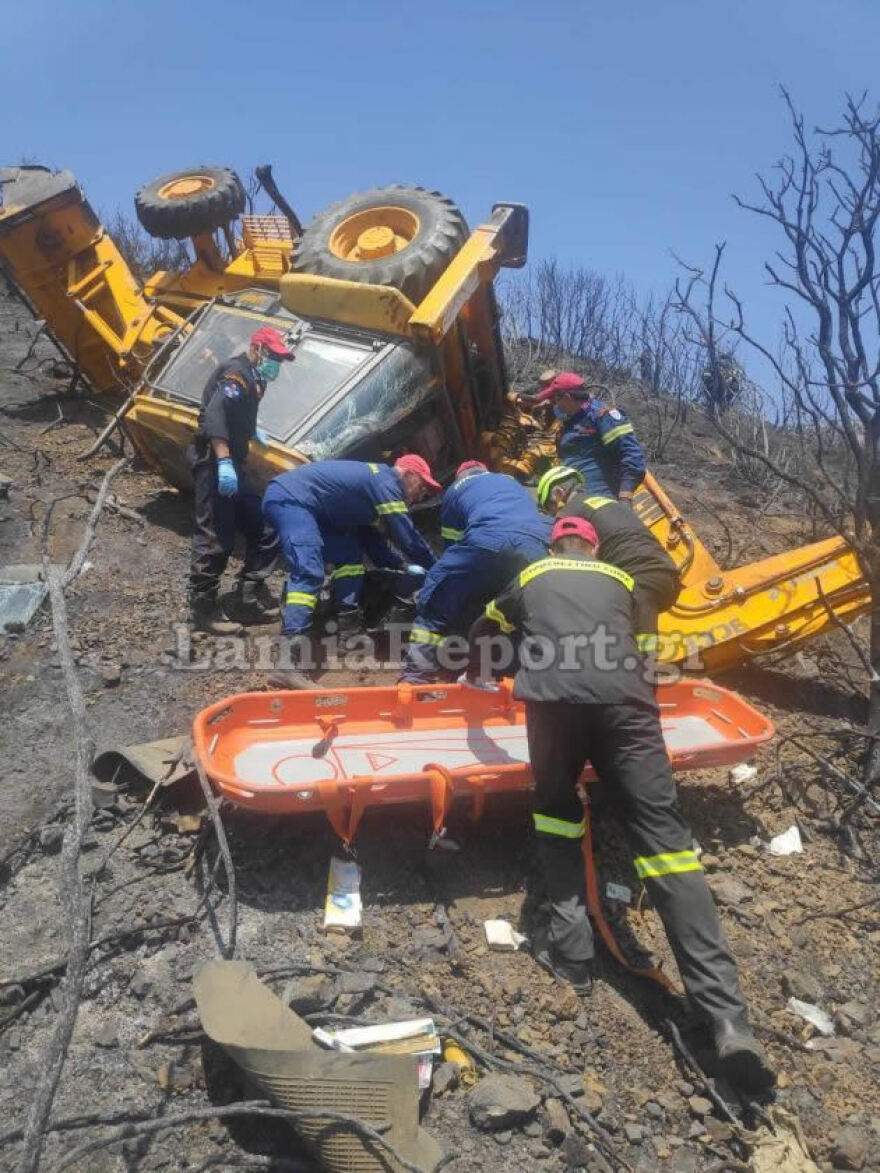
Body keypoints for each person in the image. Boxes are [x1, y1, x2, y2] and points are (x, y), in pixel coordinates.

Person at [465, 515, 775, 1093]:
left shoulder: (532, 573)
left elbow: (489, 625)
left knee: (557, 812)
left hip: (555, 704)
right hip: (628, 708)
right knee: (668, 846)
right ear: (595, 546)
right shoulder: (624, 581)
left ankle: (574, 959)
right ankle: (728, 1019)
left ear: (555, 542)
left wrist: (480, 671)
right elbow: (647, 646)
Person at [262, 455, 439, 682]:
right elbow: (408, 537)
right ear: (407, 474)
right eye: (421, 486)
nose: (420, 495)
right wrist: (436, 568)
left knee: (350, 557)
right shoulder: (385, 482)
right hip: (291, 500)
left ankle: (348, 630)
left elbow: (371, 540)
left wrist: (402, 565)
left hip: (312, 511)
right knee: (309, 571)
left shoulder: (373, 489)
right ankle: (287, 662)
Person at [399, 461, 552, 683]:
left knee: (437, 599)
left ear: (461, 475)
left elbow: (452, 544)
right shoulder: (513, 483)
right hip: (534, 547)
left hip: (486, 540)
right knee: (519, 611)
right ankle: (524, 675)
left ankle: (416, 676)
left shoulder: (457, 489)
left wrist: (457, 587)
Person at [188, 326, 292, 634]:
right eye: (273, 356)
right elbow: (215, 415)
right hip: (214, 460)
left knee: (266, 526)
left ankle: (246, 596)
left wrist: (251, 428)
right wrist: (222, 460)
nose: (276, 363)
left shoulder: (253, 377)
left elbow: (236, 411)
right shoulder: (237, 373)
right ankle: (202, 611)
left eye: (280, 359)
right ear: (257, 348)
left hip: (233, 461)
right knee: (216, 536)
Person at [536, 465, 680, 651]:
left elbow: (567, 567)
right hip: (668, 578)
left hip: (636, 583)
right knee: (643, 654)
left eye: (550, 506)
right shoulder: (609, 503)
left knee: (634, 659)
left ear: (558, 493)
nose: (554, 514)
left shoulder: (570, 514)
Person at [531, 372, 646, 502]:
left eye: (556, 399)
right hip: (573, 497)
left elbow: (631, 454)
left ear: (568, 397)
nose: (555, 404)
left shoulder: (601, 415)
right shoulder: (569, 421)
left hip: (601, 498)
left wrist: (625, 497)